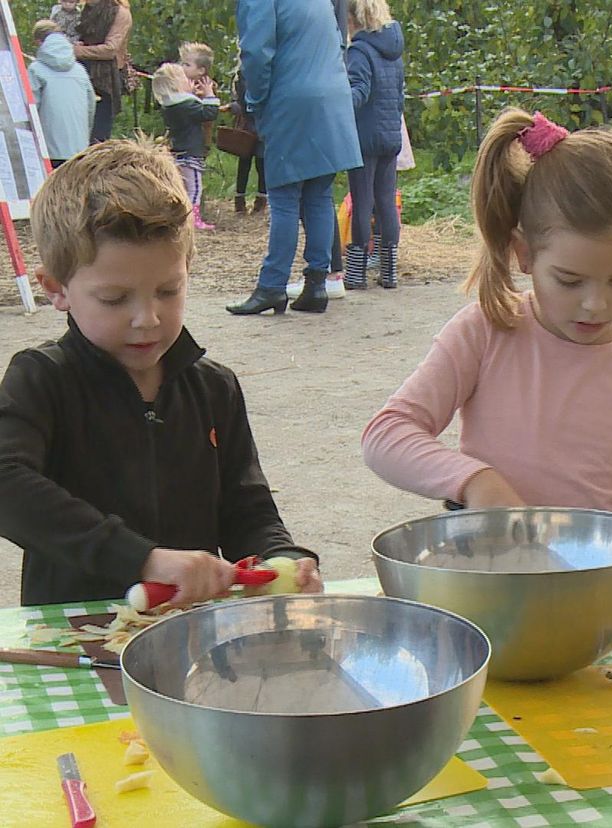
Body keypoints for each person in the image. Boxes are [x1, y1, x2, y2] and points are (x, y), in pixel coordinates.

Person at [362, 108, 612, 574]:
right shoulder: (486, 331)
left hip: (600, 582)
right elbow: (386, 435)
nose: (596, 304)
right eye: (570, 281)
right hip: (493, 574)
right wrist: (475, 482)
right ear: (524, 254)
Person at [0, 139, 321, 606]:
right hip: (80, 631)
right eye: (114, 299)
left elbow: (245, 507)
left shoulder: (214, 387)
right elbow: (6, 483)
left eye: (168, 291)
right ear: (57, 289)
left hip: (189, 631)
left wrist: (280, 558)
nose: (146, 319)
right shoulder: (42, 379)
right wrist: (142, 559)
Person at [227, 0, 361, 316]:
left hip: (293, 98)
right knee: (318, 194)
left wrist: (254, 102)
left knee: (284, 196)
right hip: (332, 98)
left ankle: (272, 286)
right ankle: (316, 284)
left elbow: (257, 53)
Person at [342, 0, 404, 290]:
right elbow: (400, 96)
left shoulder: (358, 50)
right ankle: (388, 271)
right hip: (391, 135)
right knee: (386, 201)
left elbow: (359, 92)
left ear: (352, 17)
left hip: (364, 137)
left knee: (363, 202)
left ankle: (356, 273)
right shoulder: (393, 50)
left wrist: (336, 101)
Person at [151, 62, 218, 231]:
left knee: (180, 187)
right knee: (195, 187)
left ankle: (179, 216)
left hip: (177, 152)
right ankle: (193, 218)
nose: (188, 80)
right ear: (176, 84)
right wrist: (209, 95)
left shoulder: (171, 105)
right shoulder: (186, 105)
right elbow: (209, 113)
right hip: (191, 153)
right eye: (183, 78)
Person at [27, 20, 94, 168]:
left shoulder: (35, 70)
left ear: (39, 42)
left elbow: (30, 108)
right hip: (79, 149)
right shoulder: (80, 70)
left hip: (48, 149)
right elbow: (91, 106)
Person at [74, 0, 131, 142]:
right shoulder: (84, 9)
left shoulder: (120, 13)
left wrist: (77, 50)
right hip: (80, 73)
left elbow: (110, 49)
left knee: (98, 135)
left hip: (105, 79)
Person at [228, 58, 266, 214]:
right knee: (246, 161)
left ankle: (260, 201)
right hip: (249, 123)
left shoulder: (263, 72)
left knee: (261, 162)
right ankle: (241, 201)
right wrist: (235, 107)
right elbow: (238, 100)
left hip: (261, 123)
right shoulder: (241, 75)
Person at [178, 41, 217, 153]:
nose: (182, 67)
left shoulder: (206, 88)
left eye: (187, 65)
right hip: (178, 138)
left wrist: (190, 94)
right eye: (182, 63)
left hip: (196, 143)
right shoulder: (179, 82)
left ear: (201, 70)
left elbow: (206, 117)